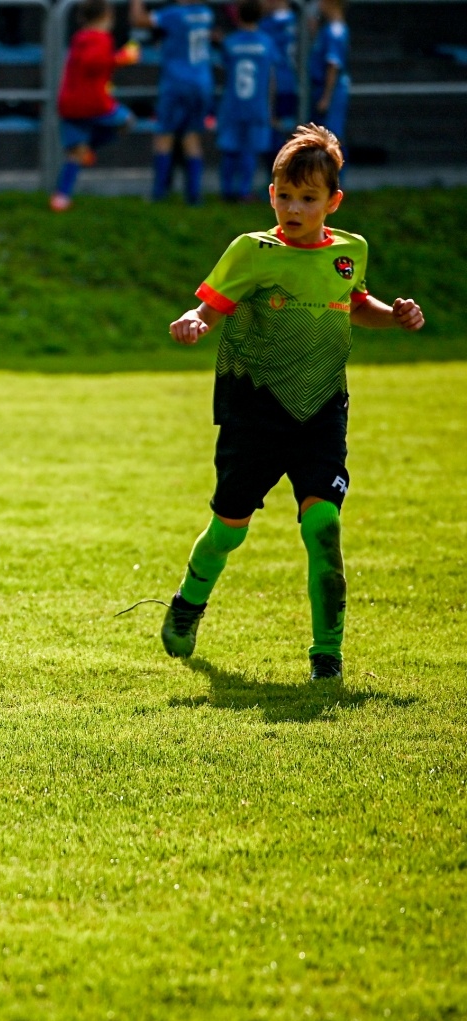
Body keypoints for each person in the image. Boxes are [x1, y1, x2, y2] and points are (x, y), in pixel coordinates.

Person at [160, 125, 425, 682]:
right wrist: (195, 320)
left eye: (308, 198)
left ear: (334, 201)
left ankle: (326, 655)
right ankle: (189, 601)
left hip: (322, 407)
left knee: (322, 524)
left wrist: (392, 315)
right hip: (253, 409)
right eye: (284, 195)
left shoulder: (351, 251)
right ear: (271, 192)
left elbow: (351, 304)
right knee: (229, 527)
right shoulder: (253, 251)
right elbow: (212, 307)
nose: (294, 208)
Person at [50, 0, 138, 212]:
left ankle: (61, 197)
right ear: (107, 16)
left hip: (69, 104)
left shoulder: (78, 38)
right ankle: (92, 146)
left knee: (75, 154)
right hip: (94, 103)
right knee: (126, 121)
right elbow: (94, 62)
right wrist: (121, 58)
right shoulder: (101, 38)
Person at [130, 0, 214, 205]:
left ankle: (159, 194)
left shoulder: (174, 15)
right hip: (201, 82)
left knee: (164, 136)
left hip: (177, 83)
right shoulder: (205, 13)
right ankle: (194, 197)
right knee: (191, 137)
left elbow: (138, 20)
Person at [217, 0, 281, 201]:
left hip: (233, 105)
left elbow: (224, 69)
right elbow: (271, 78)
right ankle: (245, 191)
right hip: (257, 106)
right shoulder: (266, 43)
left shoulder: (230, 42)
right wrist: (270, 107)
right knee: (250, 150)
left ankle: (226, 190)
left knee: (229, 148)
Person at [309, 0, 351, 142]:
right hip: (321, 88)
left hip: (330, 90)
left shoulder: (335, 31)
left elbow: (333, 65)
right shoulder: (327, 29)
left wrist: (326, 97)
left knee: (330, 136)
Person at [260, 0, 299, 141]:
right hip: (293, 82)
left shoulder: (267, 25)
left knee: (275, 130)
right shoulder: (297, 20)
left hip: (275, 82)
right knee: (290, 129)